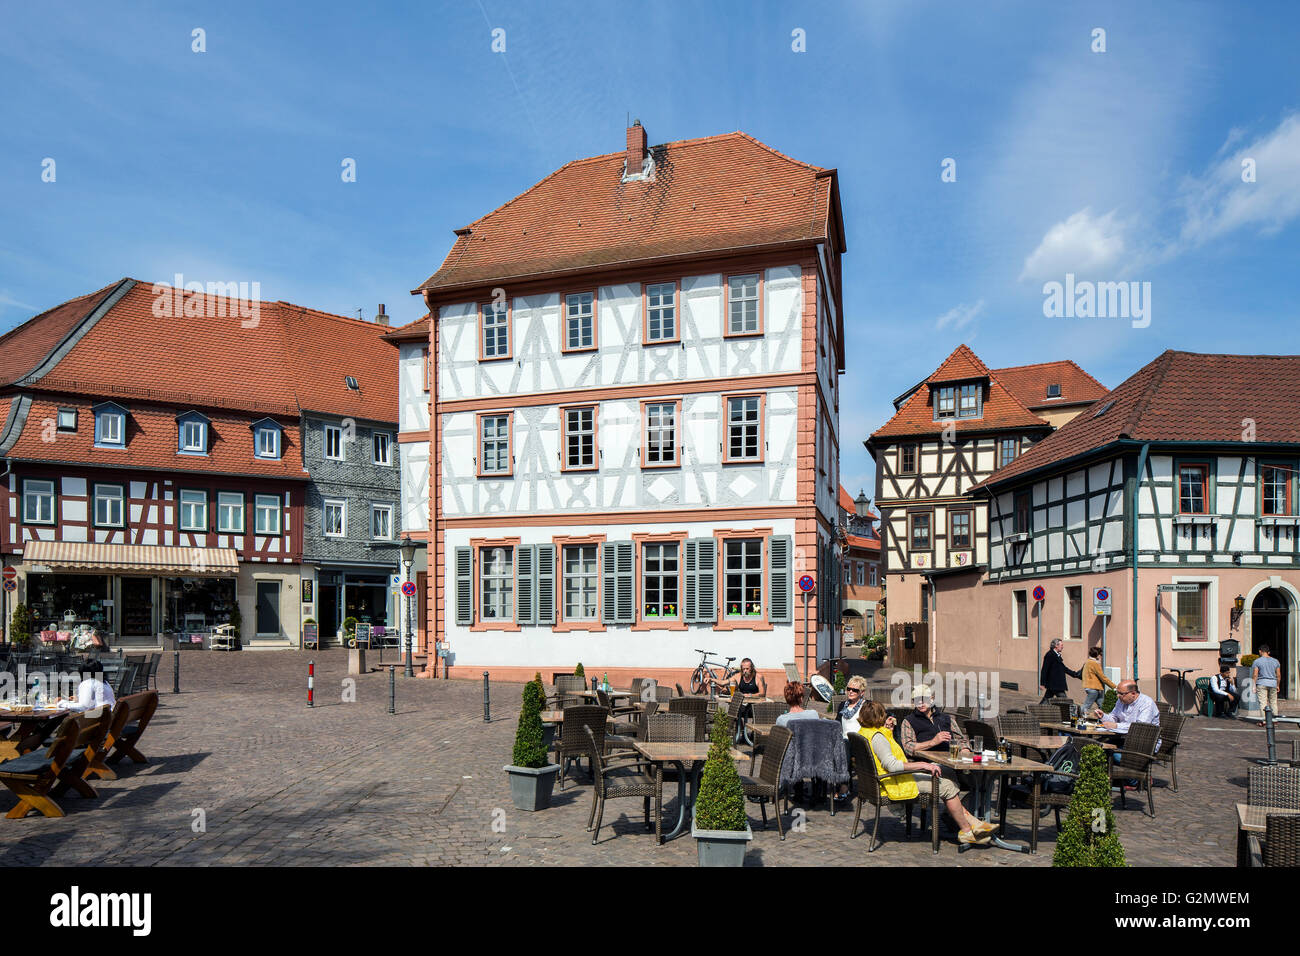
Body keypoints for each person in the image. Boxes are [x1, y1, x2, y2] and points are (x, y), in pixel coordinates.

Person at [857, 700, 993, 846]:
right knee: (947, 786)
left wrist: (888, 732)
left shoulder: (864, 733)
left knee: (945, 775)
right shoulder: (878, 737)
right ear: (879, 717)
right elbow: (892, 765)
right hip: (894, 782)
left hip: (883, 780)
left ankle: (973, 823)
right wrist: (922, 764)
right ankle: (967, 831)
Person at [900, 685, 968, 756]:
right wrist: (932, 742)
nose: (920, 702)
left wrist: (965, 750)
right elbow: (908, 747)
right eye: (916, 700)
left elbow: (961, 740)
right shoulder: (909, 721)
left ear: (931, 699)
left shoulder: (947, 718)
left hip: (950, 759)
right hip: (927, 762)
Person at [1092, 680, 1160, 749]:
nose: (1118, 696)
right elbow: (1114, 717)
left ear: (1133, 693)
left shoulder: (1147, 703)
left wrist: (1116, 725)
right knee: (1095, 746)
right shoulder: (1121, 701)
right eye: (1117, 693)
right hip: (1123, 739)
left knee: (1106, 751)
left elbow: (1140, 727)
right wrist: (1103, 716)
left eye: (1121, 694)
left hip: (1144, 744)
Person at [1040, 638, 1082, 703]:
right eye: (1061, 645)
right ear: (1056, 646)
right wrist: (1042, 683)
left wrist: (1075, 674)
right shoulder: (1050, 655)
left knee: (1046, 699)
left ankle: (1036, 711)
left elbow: (1064, 668)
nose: (1062, 647)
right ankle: (1069, 712)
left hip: (1055, 684)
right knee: (1065, 701)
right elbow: (1044, 669)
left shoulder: (1057, 655)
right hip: (1055, 684)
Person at [1080, 646, 1116, 713]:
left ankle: (1104, 717)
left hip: (1089, 687)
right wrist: (1114, 686)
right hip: (1093, 688)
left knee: (1101, 704)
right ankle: (1077, 717)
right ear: (1097, 655)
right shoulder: (1095, 664)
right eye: (1100, 654)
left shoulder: (1087, 662)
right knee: (1087, 705)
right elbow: (1103, 677)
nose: (1101, 656)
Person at [1252, 646, 1281, 726]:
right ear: (1268, 652)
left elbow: (1255, 674)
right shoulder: (1276, 661)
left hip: (1261, 683)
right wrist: (1278, 685)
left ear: (1260, 651)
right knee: (1273, 702)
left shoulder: (1257, 661)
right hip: (1273, 683)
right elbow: (1278, 675)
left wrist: (1254, 685)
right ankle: (1275, 720)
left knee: (1263, 703)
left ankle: (1264, 721)